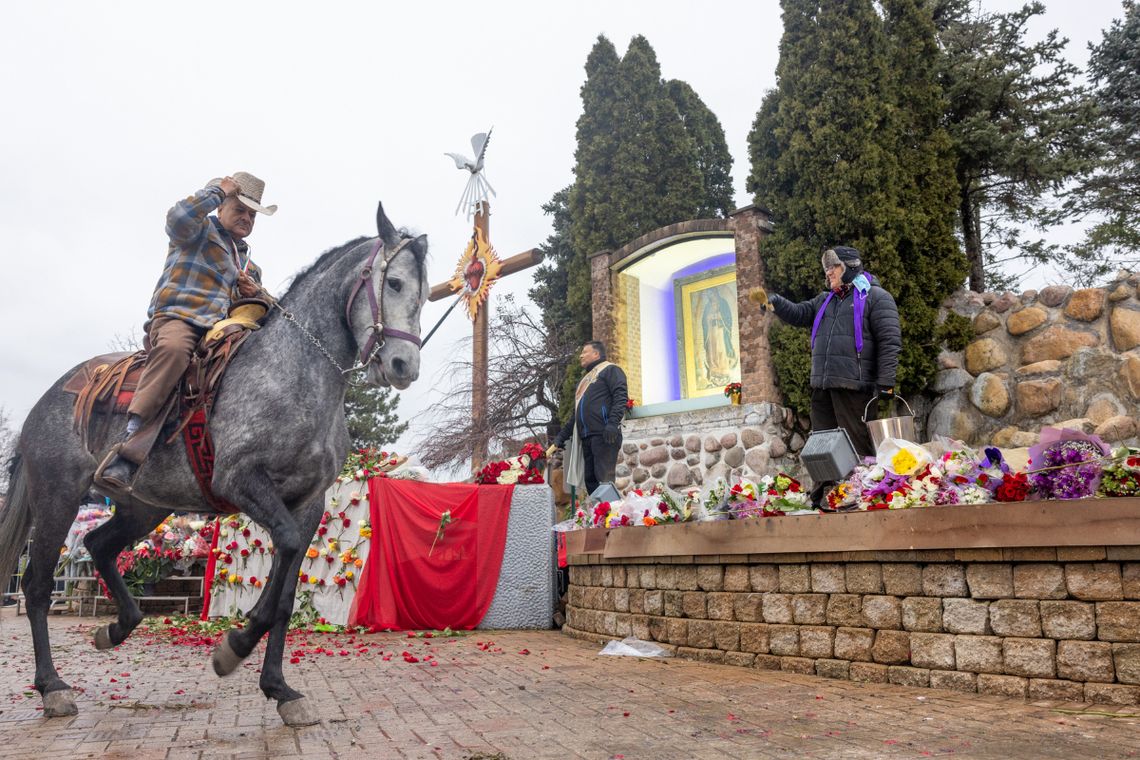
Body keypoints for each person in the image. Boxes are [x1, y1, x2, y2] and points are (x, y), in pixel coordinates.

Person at [98, 173, 276, 489]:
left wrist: (258, 294)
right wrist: (217, 191)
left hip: (223, 333)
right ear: (222, 207)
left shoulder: (249, 264)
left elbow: (265, 311)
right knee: (175, 351)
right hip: (181, 319)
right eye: (240, 209)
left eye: (252, 215)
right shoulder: (198, 229)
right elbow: (178, 217)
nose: (247, 218)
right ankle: (130, 441)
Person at [749, 246, 901, 503]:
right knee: (823, 446)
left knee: (856, 444)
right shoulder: (825, 300)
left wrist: (885, 382)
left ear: (850, 267)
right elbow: (799, 313)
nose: (828, 272)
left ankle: (864, 494)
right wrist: (775, 302)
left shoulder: (876, 297)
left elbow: (890, 341)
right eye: (827, 268)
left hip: (856, 386)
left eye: (834, 267)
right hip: (823, 385)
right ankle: (826, 496)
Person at [548, 341, 628, 498]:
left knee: (604, 481)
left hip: (604, 433)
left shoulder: (610, 370)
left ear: (596, 354)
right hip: (586, 437)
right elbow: (575, 415)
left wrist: (612, 423)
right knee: (591, 481)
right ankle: (599, 518)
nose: (581, 355)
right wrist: (560, 438)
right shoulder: (585, 380)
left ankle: (612, 518)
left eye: (585, 352)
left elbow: (621, 396)